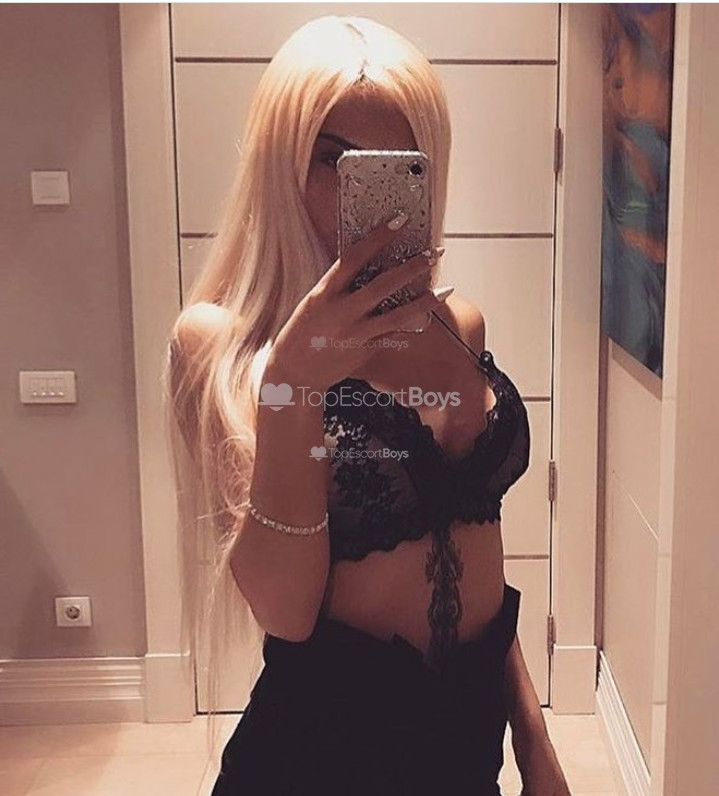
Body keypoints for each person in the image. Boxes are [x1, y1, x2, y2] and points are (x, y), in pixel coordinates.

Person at [163, 14, 571, 796]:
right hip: (320, 757)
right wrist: (295, 383)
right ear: (278, 163)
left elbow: (473, 547)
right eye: (332, 159)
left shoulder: (458, 327)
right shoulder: (222, 347)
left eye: (399, 164)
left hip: (466, 749)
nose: (368, 195)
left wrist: (534, 739)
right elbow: (284, 612)